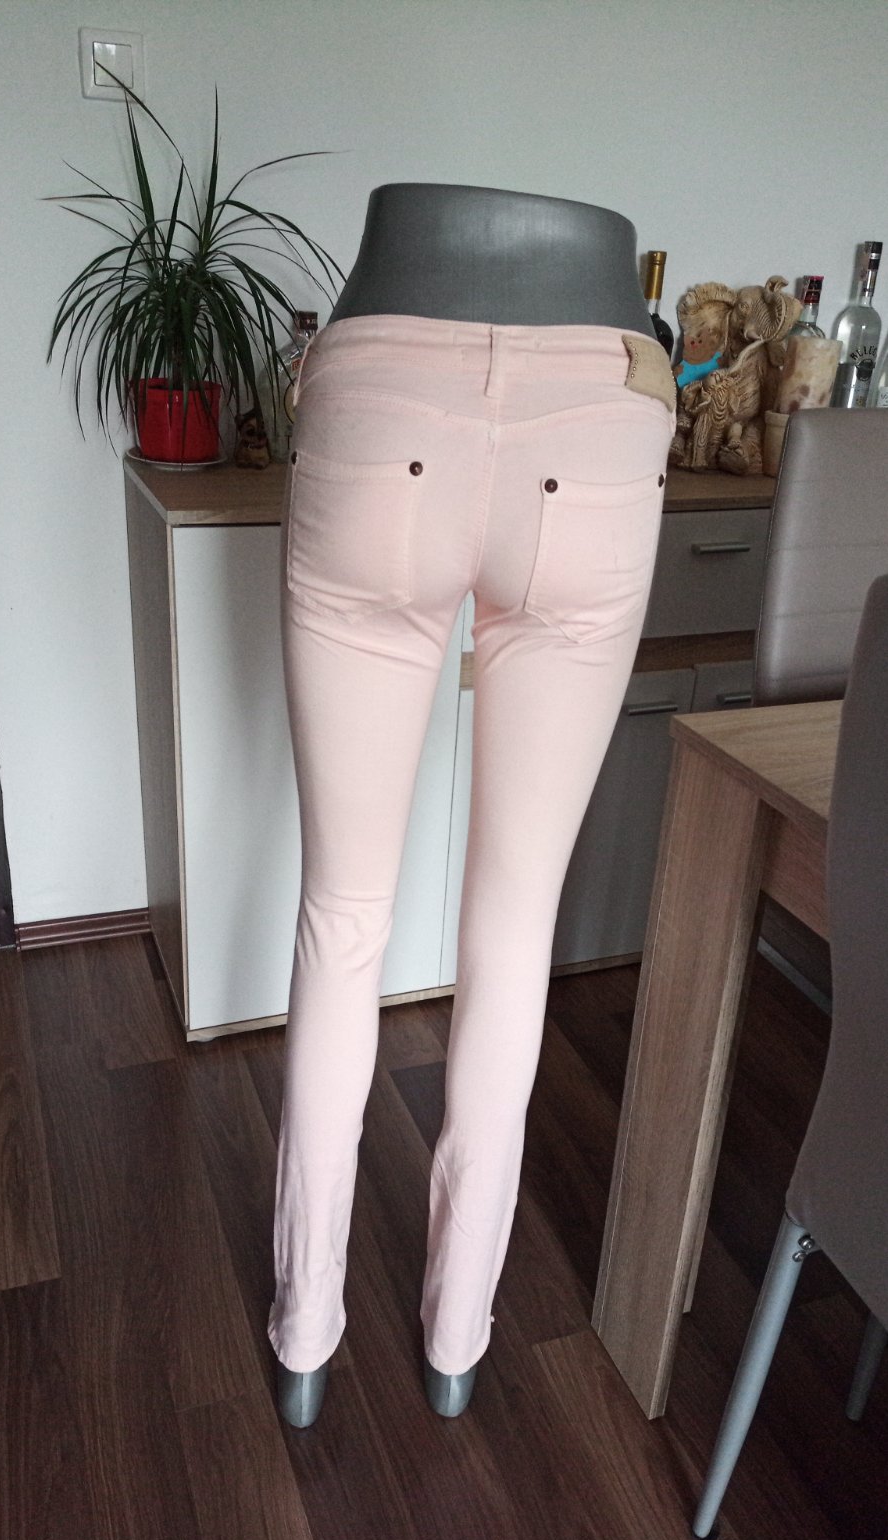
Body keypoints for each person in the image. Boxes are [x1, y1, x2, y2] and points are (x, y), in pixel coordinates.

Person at [269, 183, 676, 1426]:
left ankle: (305, 1335)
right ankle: (455, 1342)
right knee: (513, 925)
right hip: (602, 410)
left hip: (382, 385)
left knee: (344, 915)